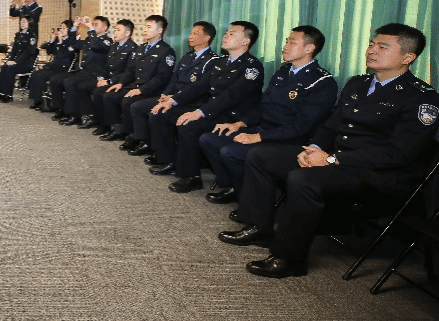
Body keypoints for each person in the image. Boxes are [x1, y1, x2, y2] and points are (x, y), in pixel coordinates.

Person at [219, 23, 439, 278]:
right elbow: (331, 125)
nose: (372, 51)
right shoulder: (358, 83)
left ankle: (289, 258)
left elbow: (398, 154)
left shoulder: (421, 97)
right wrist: (313, 148)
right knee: (261, 156)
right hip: (339, 160)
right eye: (371, 44)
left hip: (378, 174)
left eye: (382, 47)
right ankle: (259, 228)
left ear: (408, 57)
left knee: (303, 179)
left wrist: (333, 158)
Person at [199, 26, 338, 205]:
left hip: (289, 140)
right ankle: (234, 187)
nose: (285, 46)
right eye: (286, 41)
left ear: (309, 48)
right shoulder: (282, 73)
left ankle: (253, 202)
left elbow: (301, 126)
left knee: (230, 152)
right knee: (209, 139)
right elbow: (263, 107)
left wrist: (258, 137)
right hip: (264, 130)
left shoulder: (322, 81)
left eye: (292, 42)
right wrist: (239, 124)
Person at [148, 21, 264, 193]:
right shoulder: (221, 62)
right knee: (163, 113)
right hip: (213, 110)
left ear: (245, 41)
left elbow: (231, 96)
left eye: (232, 34)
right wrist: (172, 101)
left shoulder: (251, 67)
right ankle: (170, 160)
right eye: (226, 32)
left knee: (189, 124)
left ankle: (191, 177)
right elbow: (199, 86)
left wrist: (200, 112)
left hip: (232, 116)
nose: (225, 36)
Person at [124, 21, 217, 157]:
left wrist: (173, 98)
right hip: (173, 97)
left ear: (207, 37)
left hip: (191, 102)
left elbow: (198, 88)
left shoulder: (212, 60)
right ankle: (147, 143)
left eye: (195, 34)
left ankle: (165, 155)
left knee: (158, 114)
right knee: (137, 107)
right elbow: (174, 79)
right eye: (190, 33)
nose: (190, 36)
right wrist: (165, 94)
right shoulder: (187, 56)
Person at [90, 16, 173, 138]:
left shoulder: (166, 51)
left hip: (151, 90)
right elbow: (130, 70)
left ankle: (132, 135)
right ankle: (116, 128)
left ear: (159, 30)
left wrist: (141, 90)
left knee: (127, 101)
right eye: (145, 26)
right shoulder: (141, 48)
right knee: (109, 94)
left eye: (149, 27)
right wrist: (120, 83)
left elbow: (161, 77)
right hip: (135, 85)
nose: (145, 29)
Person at [49, 16, 114, 123]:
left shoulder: (107, 41)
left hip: (94, 74)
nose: (93, 26)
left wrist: (90, 28)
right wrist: (74, 27)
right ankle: (62, 109)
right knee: (55, 80)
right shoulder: (89, 39)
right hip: (83, 72)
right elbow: (73, 43)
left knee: (70, 82)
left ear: (105, 28)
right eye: (93, 24)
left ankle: (74, 115)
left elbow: (95, 45)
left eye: (96, 24)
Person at [28, 20, 77, 110]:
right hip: (54, 66)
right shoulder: (59, 40)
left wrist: (60, 42)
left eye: (63, 28)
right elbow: (49, 51)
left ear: (69, 30)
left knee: (41, 76)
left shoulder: (71, 42)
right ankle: (37, 99)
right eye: (60, 28)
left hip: (63, 68)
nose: (61, 30)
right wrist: (52, 40)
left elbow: (61, 55)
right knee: (35, 73)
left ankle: (42, 102)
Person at [0, 17, 38, 103]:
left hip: (27, 63)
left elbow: (28, 51)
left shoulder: (32, 35)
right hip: (18, 62)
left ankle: (8, 95)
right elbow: (14, 51)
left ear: (30, 22)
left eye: (24, 21)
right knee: (4, 67)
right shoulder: (18, 35)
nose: (22, 23)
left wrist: (16, 62)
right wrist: (10, 60)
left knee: (10, 69)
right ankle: (1, 93)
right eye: (21, 22)